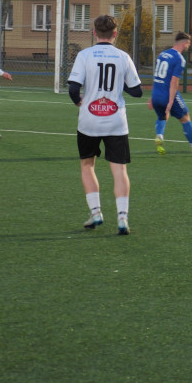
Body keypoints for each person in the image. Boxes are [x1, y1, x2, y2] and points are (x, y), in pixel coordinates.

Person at [67, 14, 143, 235]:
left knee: (87, 165)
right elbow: (137, 91)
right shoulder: (123, 56)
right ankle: (122, 218)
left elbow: (73, 88)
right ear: (115, 34)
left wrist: (78, 102)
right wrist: (120, 86)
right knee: (119, 170)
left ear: (94, 33)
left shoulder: (84, 55)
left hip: (89, 121)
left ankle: (96, 212)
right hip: (115, 121)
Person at [151, 31, 192, 156]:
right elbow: (174, 81)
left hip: (156, 93)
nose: (188, 47)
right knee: (185, 116)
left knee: (163, 116)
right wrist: (170, 101)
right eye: (188, 44)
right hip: (167, 94)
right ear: (184, 44)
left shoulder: (162, 54)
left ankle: (159, 136)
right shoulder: (179, 58)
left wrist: (152, 97)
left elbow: (157, 76)